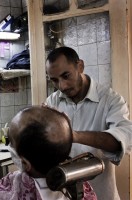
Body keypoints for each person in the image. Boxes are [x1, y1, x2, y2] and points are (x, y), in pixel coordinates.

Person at [45, 46, 132, 200]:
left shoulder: (110, 100)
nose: (62, 86)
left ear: (80, 66)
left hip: (101, 194)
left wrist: (73, 136)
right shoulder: (53, 101)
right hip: (63, 194)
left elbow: (125, 137)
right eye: (55, 80)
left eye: (66, 76)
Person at [0, 106, 97, 200]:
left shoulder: (12, 187)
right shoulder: (80, 187)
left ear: (25, 163)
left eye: (11, 142)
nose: (10, 146)